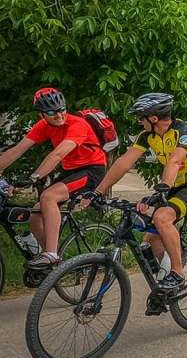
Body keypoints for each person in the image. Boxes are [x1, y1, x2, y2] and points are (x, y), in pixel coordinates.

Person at [91, 93, 187, 293]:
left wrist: (162, 189)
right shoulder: (147, 136)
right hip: (172, 185)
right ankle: (164, 283)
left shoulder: (184, 131)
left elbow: (175, 160)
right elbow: (125, 162)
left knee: (162, 217)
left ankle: (178, 273)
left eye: (141, 118)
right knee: (150, 239)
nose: (139, 122)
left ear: (154, 117)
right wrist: (98, 191)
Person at [0, 88, 108, 272]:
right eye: (52, 112)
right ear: (42, 114)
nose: (59, 115)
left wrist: (33, 177)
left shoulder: (77, 124)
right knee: (36, 212)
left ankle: (51, 255)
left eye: (62, 109)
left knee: (48, 197)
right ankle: (51, 262)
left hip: (92, 169)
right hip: (71, 170)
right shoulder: (43, 126)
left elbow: (57, 154)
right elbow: (17, 150)